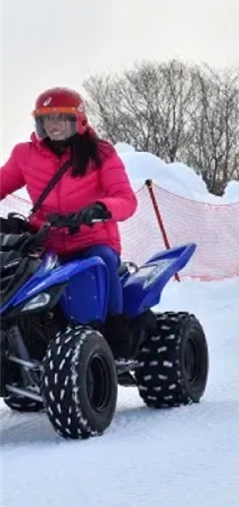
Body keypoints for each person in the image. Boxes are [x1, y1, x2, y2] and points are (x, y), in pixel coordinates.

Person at [0, 87, 140, 356]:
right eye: (46, 119)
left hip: (93, 238)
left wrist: (99, 208)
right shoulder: (24, 155)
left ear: (79, 120)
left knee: (102, 261)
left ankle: (115, 331)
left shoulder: (101, 153)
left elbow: (126, 199)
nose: (53, 125)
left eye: (61, 118)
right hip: (46, 241)